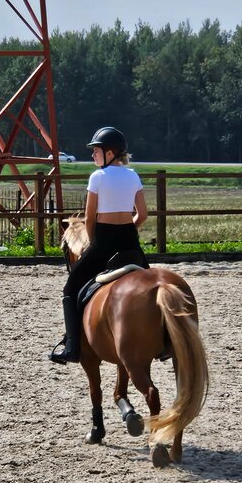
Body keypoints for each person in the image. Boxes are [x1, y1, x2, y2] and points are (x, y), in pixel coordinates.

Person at [49, 126, 148, 364]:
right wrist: (128, 229)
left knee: (70, 289)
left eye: (97, 150)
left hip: (103, 242)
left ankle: (72, 347)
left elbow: (90, 217)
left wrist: (94, 242)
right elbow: (143, 214)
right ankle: (165, 343)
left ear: (110, 153)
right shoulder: (133, 175)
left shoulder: (97, 177)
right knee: (152, 287)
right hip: (130, 244)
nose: (93, 154)